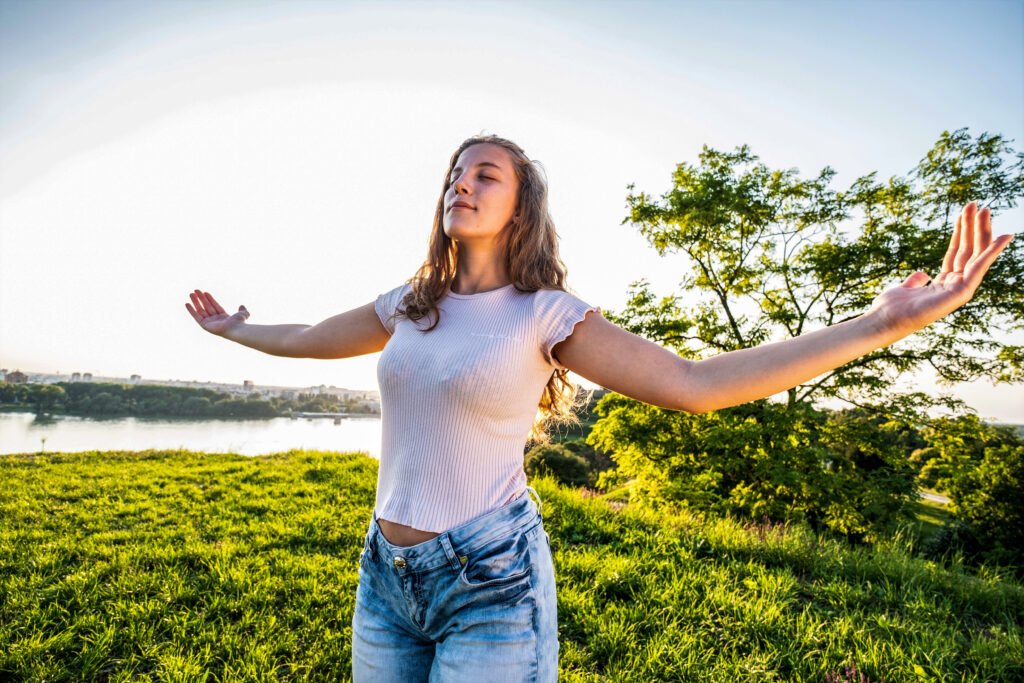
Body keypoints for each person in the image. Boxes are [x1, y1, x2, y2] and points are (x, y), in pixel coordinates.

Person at [185, 134, 1013, 682]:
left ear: (520, 206)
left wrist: (881, 323)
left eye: (485, 174)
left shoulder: (544, 312)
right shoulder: (411, 301)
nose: (461, 184)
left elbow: (697, 385)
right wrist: (237, 329)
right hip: (384, 578)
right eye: (453, 174)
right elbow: (310, 337)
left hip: (488, 581)